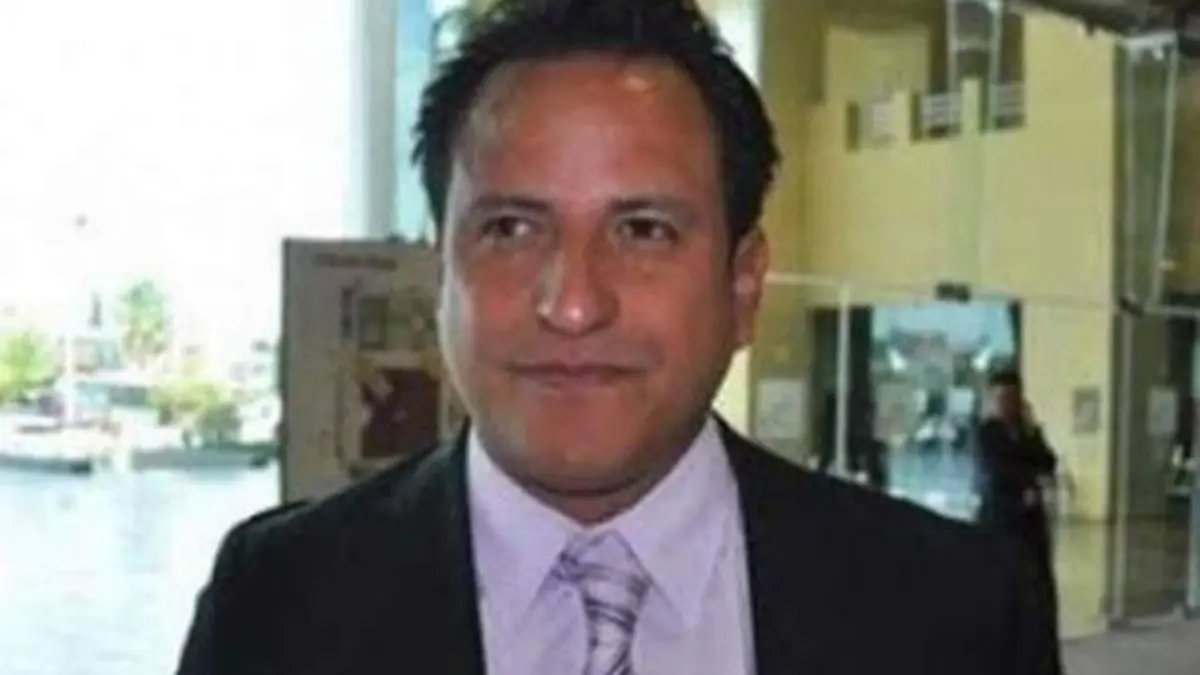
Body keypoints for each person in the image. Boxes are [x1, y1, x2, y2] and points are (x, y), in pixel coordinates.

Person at [176, 2, 1061, 674]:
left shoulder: (956, 613)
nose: (572, 305)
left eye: (643, 230)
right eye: (512, 229)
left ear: (743, 286)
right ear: (440, 272)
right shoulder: (277, 603)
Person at [976, 370, 1061, 607]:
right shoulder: (988, 433)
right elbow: (997, 468)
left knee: (1036, 576)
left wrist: (1032, 431)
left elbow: (1048, 461)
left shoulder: (1028, 431)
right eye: (1001, 398)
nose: (1007, 404)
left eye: (1012, 397)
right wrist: (1029, 480)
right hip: (1001, 514)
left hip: (1031, 517)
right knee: (1002, 574)